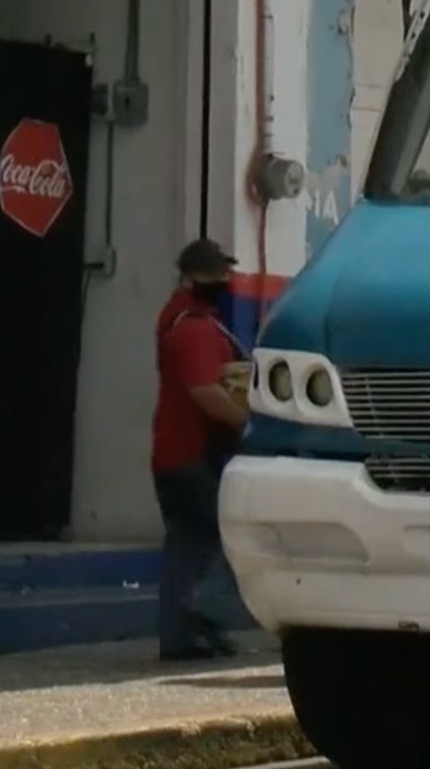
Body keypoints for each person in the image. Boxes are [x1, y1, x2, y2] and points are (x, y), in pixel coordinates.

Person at [151, 238, 250, 661]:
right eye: (216, 274)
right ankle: (205, 613)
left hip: (172, 455)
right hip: (192, 455)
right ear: (192, 278)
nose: (224, 281)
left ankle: (178, 638)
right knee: (228, 535)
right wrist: (247, 424)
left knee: (185, 546)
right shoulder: (192, 327)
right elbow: (205, 392)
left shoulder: (182, 320)